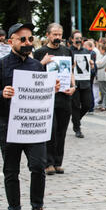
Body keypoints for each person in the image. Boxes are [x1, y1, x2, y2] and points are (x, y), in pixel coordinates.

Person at [0, 22, 60, 210]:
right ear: (10, 42)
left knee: (38, 167)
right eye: (22, 39)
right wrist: (2, 94)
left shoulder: (36, 66)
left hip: (33, 127)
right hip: (8, 126)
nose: (27, 43)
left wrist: (50, 89)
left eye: (29, 39)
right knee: (11, 171)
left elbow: (39, 95)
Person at [33, 23, 76, 176]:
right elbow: (33, 73)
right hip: (48, 97)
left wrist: (73, 86)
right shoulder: (40, 52)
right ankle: (48, 162)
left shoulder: (67, 51)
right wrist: (43, 63)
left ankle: (58, 162)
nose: (58, 37)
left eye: (59, 34)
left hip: (64, 96)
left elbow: (70, 70)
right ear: (48, 35)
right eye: (55, 34)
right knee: (50, 131)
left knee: (61, 131)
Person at [70, 30, 94, 138]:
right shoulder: (68, 51)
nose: (79, 40)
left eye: (80, 38)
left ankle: (76, 119)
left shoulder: (86, 51)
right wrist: (72, 67)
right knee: (75, 106)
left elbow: (92, 70)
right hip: (74, 83)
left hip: (85, 82)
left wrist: (92, 66)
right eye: (76, 38)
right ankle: (77, 128)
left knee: (87, 104)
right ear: (72, 39)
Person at [95, 43, 106, 111]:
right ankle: (103, 104)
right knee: (102, 91)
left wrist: (97, 63)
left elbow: (99, 65)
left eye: (100, 50)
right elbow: (98, 63)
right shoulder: (103, 56)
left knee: (105, 91)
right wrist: (98, 63)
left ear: (104, 50)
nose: (100, 51)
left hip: (104, 76)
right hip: (101, 75)